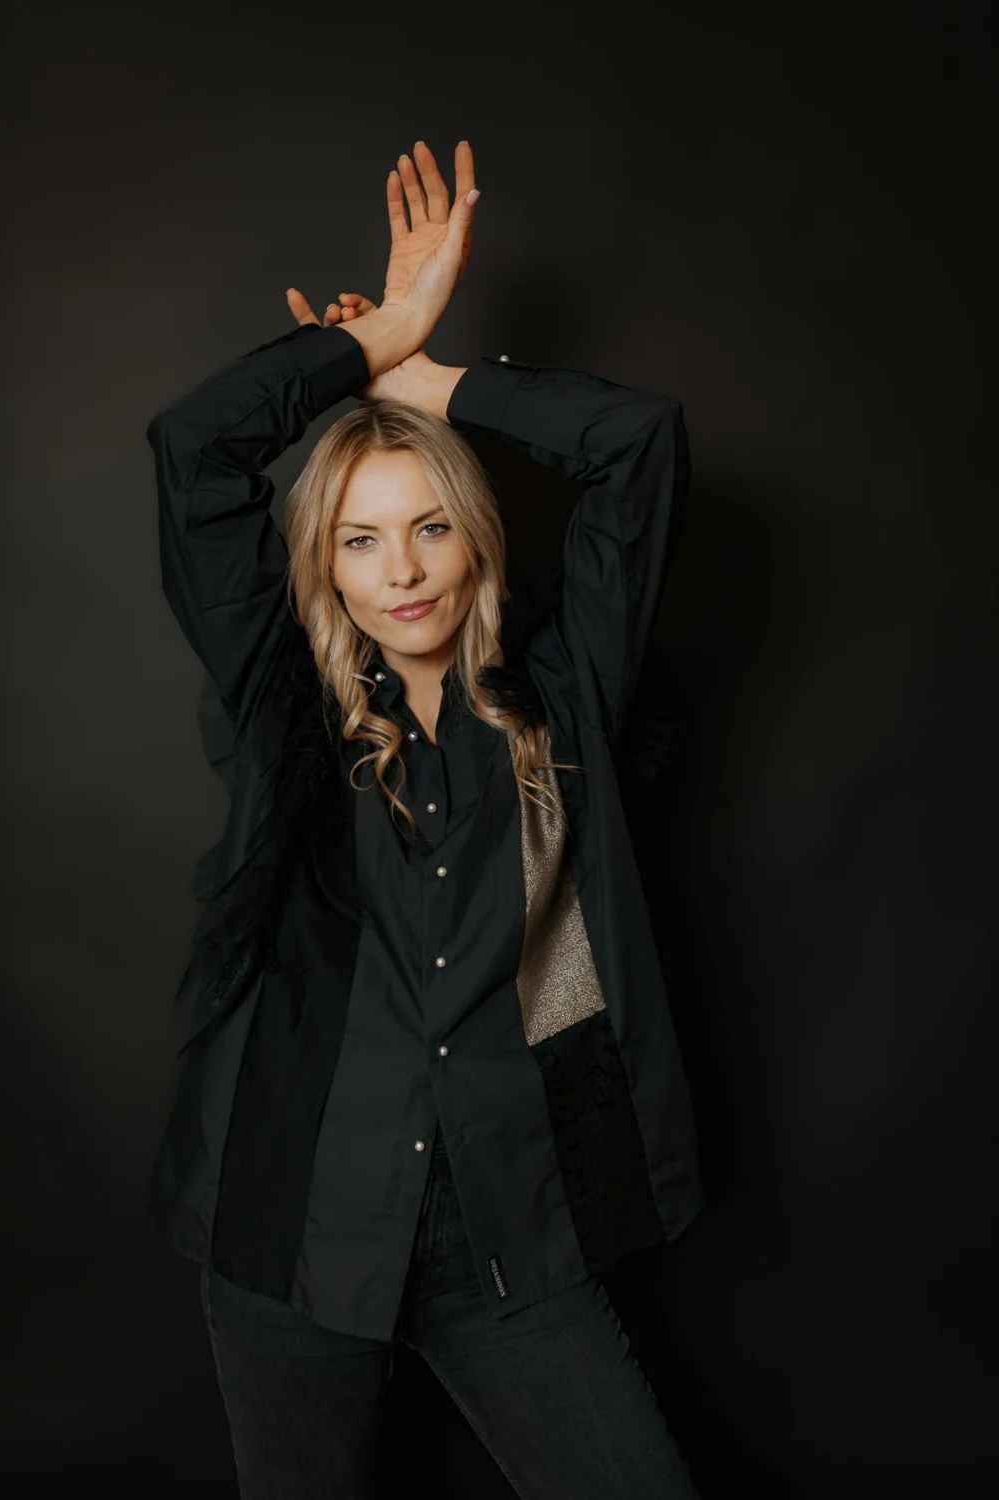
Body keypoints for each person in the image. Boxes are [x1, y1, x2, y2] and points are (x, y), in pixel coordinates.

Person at [145, 138, 705, 1499]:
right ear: (325, 568)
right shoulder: (282, 702)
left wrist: (425, 380)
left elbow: (641, 444)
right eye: (359, 539)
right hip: (296, 1226)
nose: (401, 571)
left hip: (512, 1229)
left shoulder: (565, 688)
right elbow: (193, 451)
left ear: (474, 538)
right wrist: (369, 340)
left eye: (429, 528)